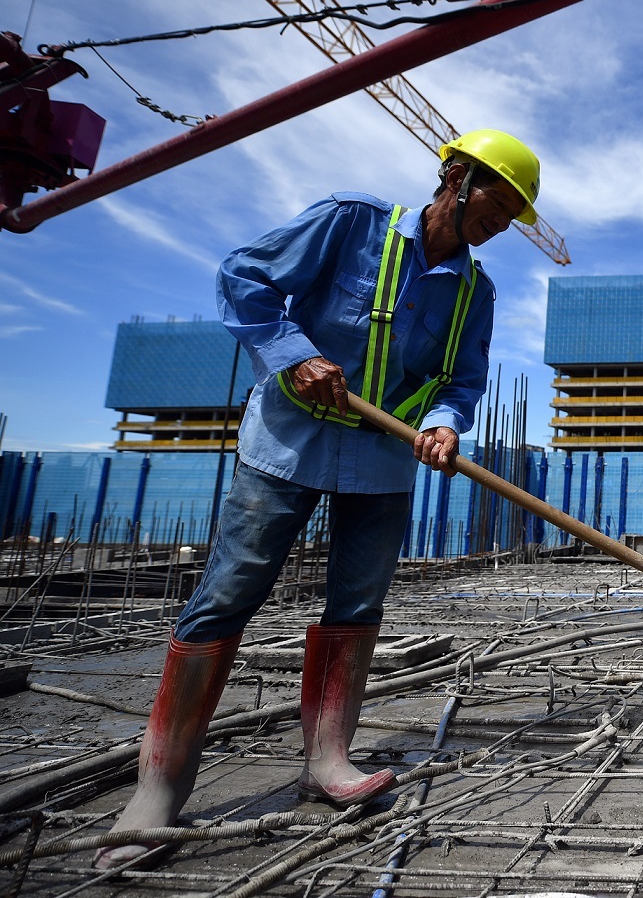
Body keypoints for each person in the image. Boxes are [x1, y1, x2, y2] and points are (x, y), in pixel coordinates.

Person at [95, 129, 540, 870]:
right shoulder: (351, 222)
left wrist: (440, 425)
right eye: (499, 200)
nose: (505, 221)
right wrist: (294, 356)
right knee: (230, 592)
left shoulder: (476, 290)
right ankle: (159, 789)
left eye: (517, 213)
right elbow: (245, 276)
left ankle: (328, 761)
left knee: (357, 605)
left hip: (381, 459)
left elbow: (462, 382)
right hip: (287, 443)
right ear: (456, 178)